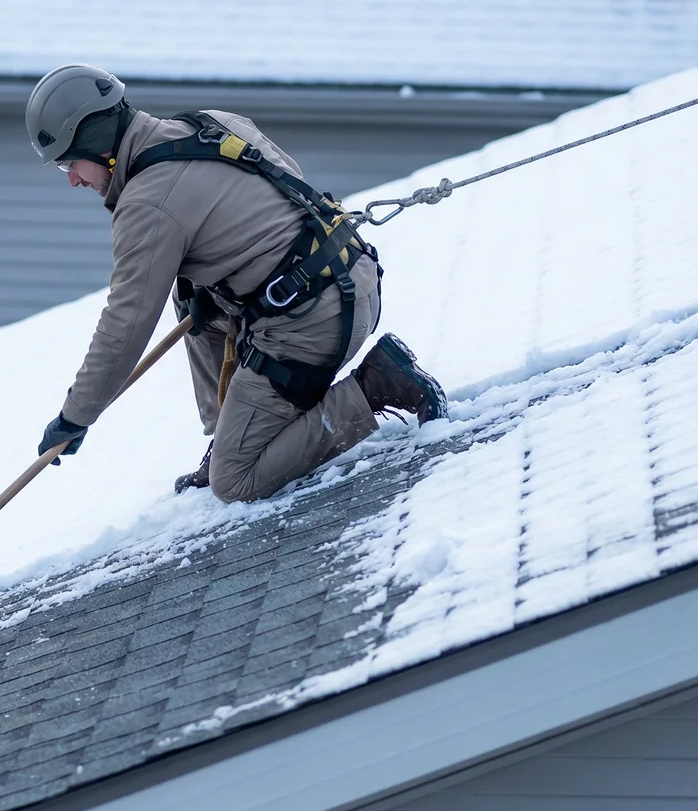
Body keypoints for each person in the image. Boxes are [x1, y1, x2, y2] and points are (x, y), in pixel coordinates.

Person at [26, 64, 446, 503]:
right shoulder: (210, 123)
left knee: (236, 481)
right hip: (350, 275)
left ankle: (379, 384)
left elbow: (126, 324)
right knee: (191, 294)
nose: (74, 179)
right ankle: (229, 432)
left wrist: (76, 417)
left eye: (69, 163)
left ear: (96, 141)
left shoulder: (147, 204)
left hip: (311, 320)